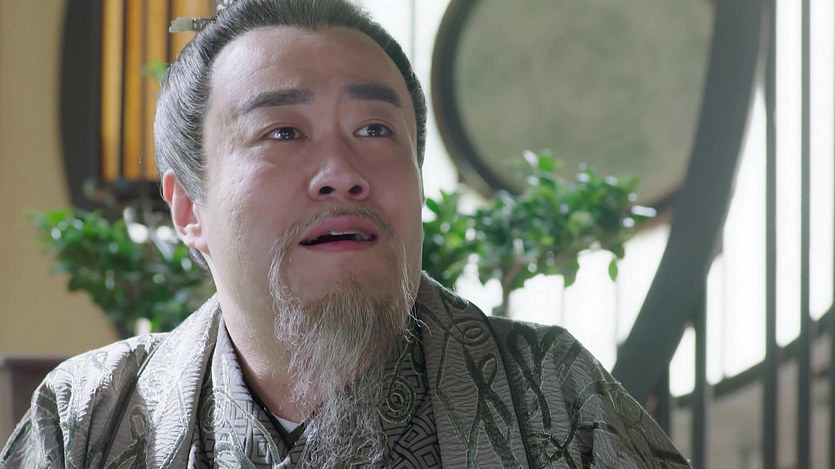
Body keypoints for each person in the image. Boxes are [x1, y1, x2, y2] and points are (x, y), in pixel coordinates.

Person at [1, 0, 690, 467]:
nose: (340, 174)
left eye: (375, 129)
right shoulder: (88, 420)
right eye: (282, 133)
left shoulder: (554, 398)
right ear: (189, 210)